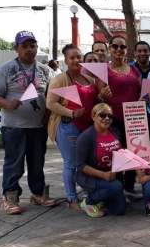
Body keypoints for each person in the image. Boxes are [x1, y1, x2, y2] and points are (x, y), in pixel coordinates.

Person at [0, 31, 55, 214]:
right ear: (16, 48)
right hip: (14, 127)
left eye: (33, 46)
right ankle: (10, 197)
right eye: (25, 46)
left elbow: (53, 96)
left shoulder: (46, 70)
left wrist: (47, 116)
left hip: (38, 127)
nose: (30, 49)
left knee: (37, 162)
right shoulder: (4, 69)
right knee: (14, 163)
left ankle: (38, 194)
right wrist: (7, 103)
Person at [47, 45, 98, 209]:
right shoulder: (61, 79)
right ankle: (71, 199)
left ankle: (86, 192)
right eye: (72, 58)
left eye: (78, 57)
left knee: (84, 162)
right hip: (68, 127)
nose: (76, 60)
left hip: (87, 127)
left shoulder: (89, 79)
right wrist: (71, 113)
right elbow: (50, 103)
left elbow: (94, 100)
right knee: (71, 163)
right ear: (66, 60)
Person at [95, 35, 141, 196]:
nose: (119, 50)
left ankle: (129, 186)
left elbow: (139, 92)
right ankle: (118, 188)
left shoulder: (134, 69)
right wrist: (102, 95)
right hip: (114, 119)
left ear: (127, 50)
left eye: (122, 47)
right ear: (110, 49)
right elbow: (99, 97)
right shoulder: (104, 71)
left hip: (134, 119)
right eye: (115, 46)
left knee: (132, 152)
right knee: (117, 154)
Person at [75, 103, 127, 217]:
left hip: (111, 176)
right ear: (93, 116)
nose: (107, 118)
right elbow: (80, 165)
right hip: (93, 176)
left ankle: (102, 199)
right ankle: (88, 202)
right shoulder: (86, 137)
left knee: (119, 210)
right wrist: (103, 175)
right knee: (116, 187)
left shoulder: (115, 131)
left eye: (110, 116)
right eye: (102, 115)